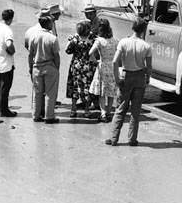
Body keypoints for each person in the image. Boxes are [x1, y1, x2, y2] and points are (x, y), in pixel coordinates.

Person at [105, 17, 152, 147]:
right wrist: (147, 78)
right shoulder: (146, 46)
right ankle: (132, 139)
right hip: (139, 77)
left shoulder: (123, 42)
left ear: (132, 28)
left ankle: (114, 138)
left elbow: (115, 62)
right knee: (135, 111)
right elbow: (149, 67)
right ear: (143, 30)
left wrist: (117, 79)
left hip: (126, 76)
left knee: (120, 108)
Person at [28, 11, 60, 124]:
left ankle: (36, 115)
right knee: (50, 93)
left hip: (36, 67)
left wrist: (30, 68)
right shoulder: (52, 38)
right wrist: (57, 68)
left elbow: (30, 55)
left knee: (37, 93)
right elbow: (56, 55)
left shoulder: (33, 37)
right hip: (50, 66)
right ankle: (49, 116)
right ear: (47, 24)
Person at [89, 18, 118, 122]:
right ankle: (109, 112)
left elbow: (90, 53)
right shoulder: (115, 40)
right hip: (112, 67)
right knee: (110, 92)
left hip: (102, 66)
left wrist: (95, 61)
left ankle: (103, 113)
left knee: (102, 92)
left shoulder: (99, 41)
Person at [65, 21, 95, 118]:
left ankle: (73, 110)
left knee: (75, 87)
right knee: (87, 88)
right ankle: (86, 111)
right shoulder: (92, 39)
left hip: (76, 65)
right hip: (88, 66)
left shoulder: (75, 39)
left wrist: (69, 41)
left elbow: (68, 51)